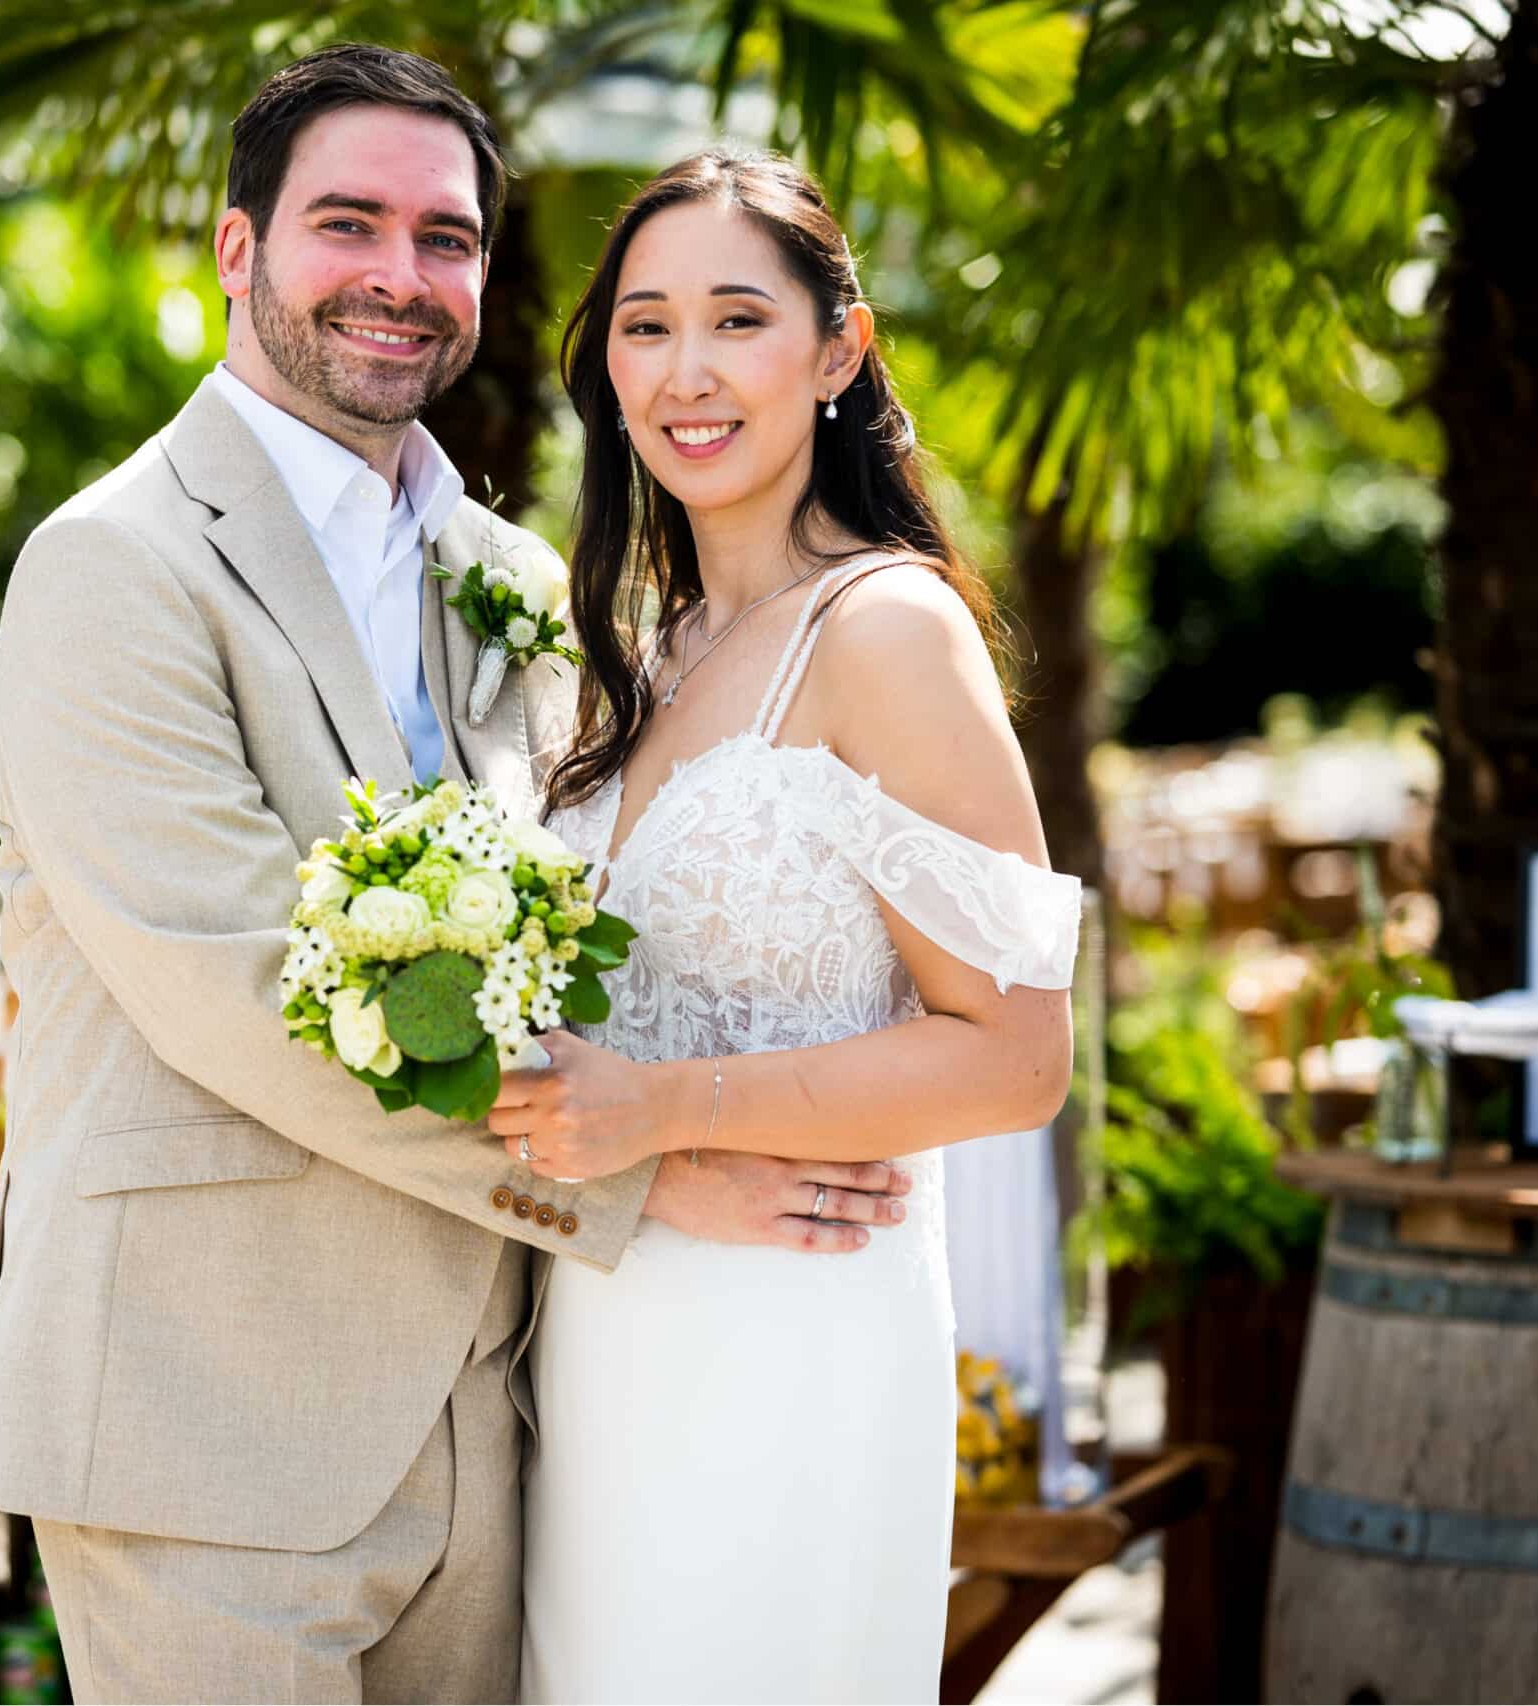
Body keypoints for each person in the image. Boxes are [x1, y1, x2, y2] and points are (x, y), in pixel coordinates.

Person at [0, 50, 915, 1703]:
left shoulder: (518, 577)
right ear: (239, 249)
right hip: (213, 1428)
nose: (403, 277)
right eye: (350, 224)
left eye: (448, 238)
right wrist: (640, 1176)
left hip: (500, 1426)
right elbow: (242, 988)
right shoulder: (111, 565)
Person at [495, 148, 1082, 1702]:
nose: (685, 372)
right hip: (602, 1333)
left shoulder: (885, 628)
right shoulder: (642, 654)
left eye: (736, 320)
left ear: (839, 350)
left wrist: (670, 1108)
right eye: (644, 326)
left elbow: (1020, 1054)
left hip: (793, 1332)